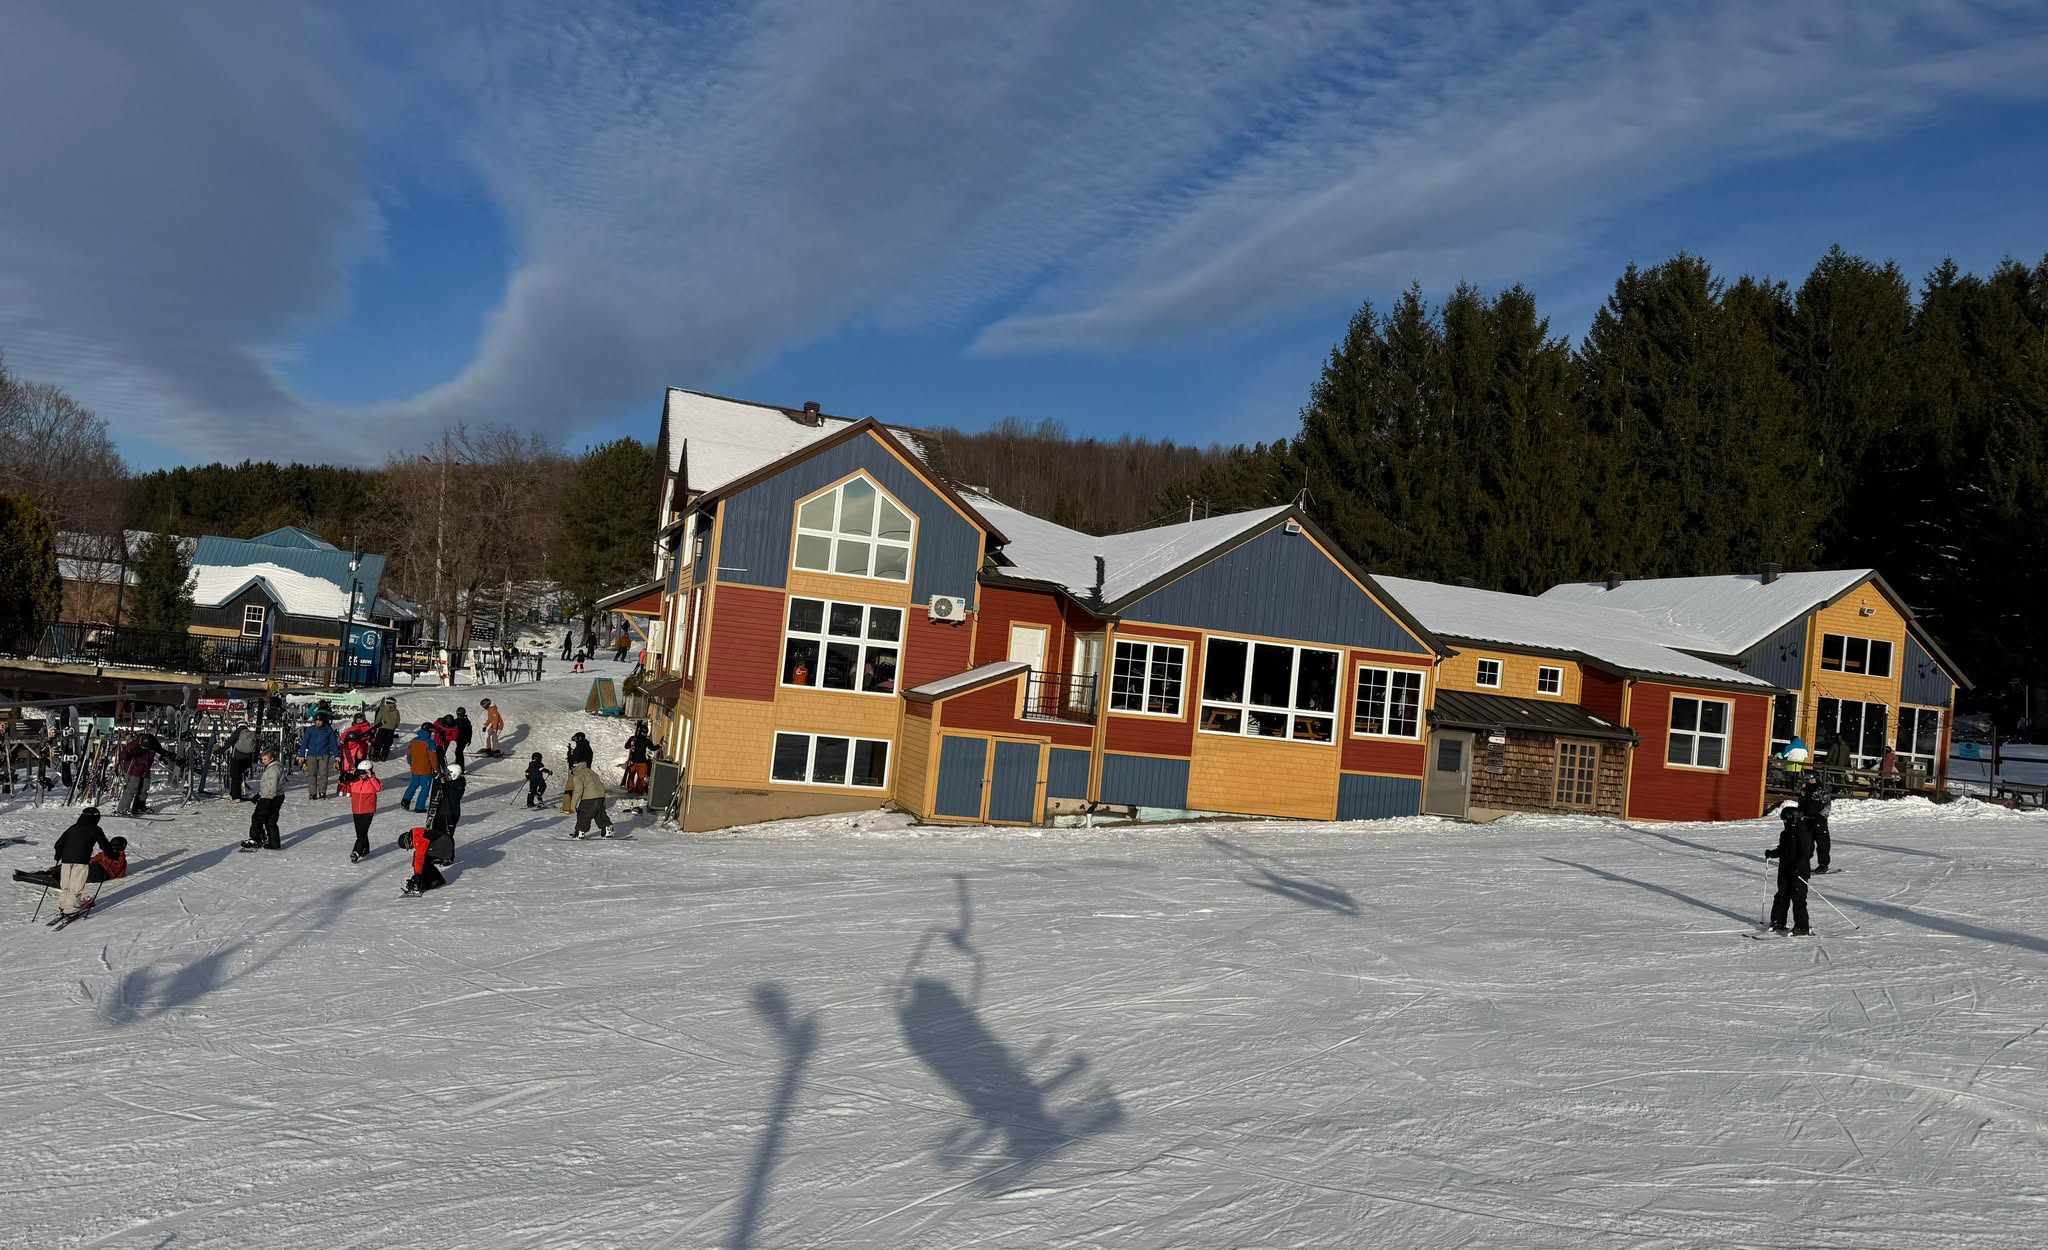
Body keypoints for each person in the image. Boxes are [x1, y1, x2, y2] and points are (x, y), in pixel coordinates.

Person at [49, 807, 114, 920]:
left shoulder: (73, 828)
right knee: (75, 886)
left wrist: (58, 855)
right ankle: (71, 910)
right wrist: (112, 855)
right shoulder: (95, 829)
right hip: (81, 862)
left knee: (66, 885)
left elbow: (59, 844)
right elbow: (104, 845)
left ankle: (63, 906)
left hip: (66, 861)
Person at [1763, 804, 1814, 935]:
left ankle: (1802, 927)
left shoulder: (1804, 832)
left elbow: (1807, 853)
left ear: (1793, 818)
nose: (1784, 822)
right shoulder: (1785, 834)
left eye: (1785, 819)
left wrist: (1797, 867)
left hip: (1799, 872)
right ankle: (1778, 921)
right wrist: (1772, 853)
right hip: (1785, 870)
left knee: (1798, 899)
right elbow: (1783, 849)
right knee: (1781, 896)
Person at [14, 834, 127, 889]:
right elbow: (121, 874)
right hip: (100, 876)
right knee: (79, 874)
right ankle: (56, 876)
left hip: (96, 869)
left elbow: (93, 860)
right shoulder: (123, 860)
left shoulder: (106, 853)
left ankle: (51, 874)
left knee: (72, 866)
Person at [240, 748, 285, 851]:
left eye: (265, 759)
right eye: (262, 759)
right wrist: (259, 794)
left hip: (270, 797)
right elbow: (268, 785)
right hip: (277, 796)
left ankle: (255, 839)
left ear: (271, 759)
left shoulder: (273, 770)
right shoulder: (275, 767)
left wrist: (267, 799)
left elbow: (271, 786)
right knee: (270, 820)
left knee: (257, 817)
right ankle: (274, 843)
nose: (263, 761)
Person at [340, 763, 382, 863]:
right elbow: (344, 784)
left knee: (362, 833)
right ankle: (365, 848)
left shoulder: (373, 781)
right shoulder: (355, 780)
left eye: (364, 772)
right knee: (360, 832)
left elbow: (378, 788)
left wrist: (371, 777)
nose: (362, 774)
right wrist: (345, 777)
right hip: (356, 810)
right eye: (360, 772)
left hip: (368, 811)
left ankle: (356, 851)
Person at [116, 732, 160, 815]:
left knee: (144, 789)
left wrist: (168, 755)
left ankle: (139, 807)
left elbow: (160, 750)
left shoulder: (153, 743)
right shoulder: (133, 744)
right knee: (131, 789)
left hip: (145, 769)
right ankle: (122, 809)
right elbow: (122, 756)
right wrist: (131, 753)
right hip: (133, 769)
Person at [567, 761, 613, 838]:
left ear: (574, 767)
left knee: (583, 814)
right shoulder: (592, 772)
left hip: (589, 798)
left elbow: (578, 790)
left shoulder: (578, 775)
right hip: (600, 796)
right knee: (599, 814)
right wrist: (603, 798)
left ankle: (580, 831)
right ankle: (607, 828)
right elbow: (600, 784)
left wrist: (573, 805)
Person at [1799, 774, 1834, 874]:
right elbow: (1801, 805)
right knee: (1806, 844)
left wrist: (1821, 816)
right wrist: (1799, 817)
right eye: (1808, 780)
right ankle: (1804, 863)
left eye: (1812, 779)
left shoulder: (1821, 790)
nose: (1811, 781)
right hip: (1807, 820)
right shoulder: (1804, 791)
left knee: (1823, 843)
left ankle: (1823, 865)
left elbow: (1827, 805)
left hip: (1819, 820)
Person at [300, 712, 339, 800]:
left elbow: (333, 743)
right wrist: (302, 755)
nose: (318, 722)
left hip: (324, 755)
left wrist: (336, 755)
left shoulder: (328, 730)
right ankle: (312, 792)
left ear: (323, 721)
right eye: (316, 721)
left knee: (323, 774)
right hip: (311, 755)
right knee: (312, 774)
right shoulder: (310, 730)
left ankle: (322, 791)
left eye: (320, 721)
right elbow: (304, 742)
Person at [403, 724, 438, 811]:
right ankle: (419, 807)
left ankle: (405, 800)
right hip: (426, 770)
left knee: (413, 785)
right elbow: (433, 757)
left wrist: (412, 764)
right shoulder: (430, 742)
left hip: (415, 768)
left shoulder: (413, 740)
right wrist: (435, 769)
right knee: (425, 788)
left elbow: (409, 755)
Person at [226, 723, 260, 801]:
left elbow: (230, 742)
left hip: (237, 758)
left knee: (235, 777)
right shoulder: (251, 734)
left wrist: (221, 750)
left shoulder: (238, 732)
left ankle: (236, 796)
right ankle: (233, 793)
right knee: (240, 776)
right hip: (247, 758)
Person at [623, 721, 654, 795]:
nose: (644, 734)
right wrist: (631, 744)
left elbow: (652, 748)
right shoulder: (633, 739)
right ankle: (632, 790)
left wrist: (659, 745)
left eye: (645, 733)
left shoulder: (646, 741)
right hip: (634, 762)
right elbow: (626, 746)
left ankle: (637, 791)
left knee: (640, 779)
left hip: (641, 763)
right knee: (632, 777)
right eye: (644, 732)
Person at [372, 696, 402, 761]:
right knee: (387, 744)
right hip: (391, 730)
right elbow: (398, 721)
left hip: (382, 729)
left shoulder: (382, 709)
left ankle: (375, 756)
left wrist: (377, 725)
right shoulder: (396, 711)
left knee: (378, 743)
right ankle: (383, 756)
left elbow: (378, 719)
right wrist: (394, 727)